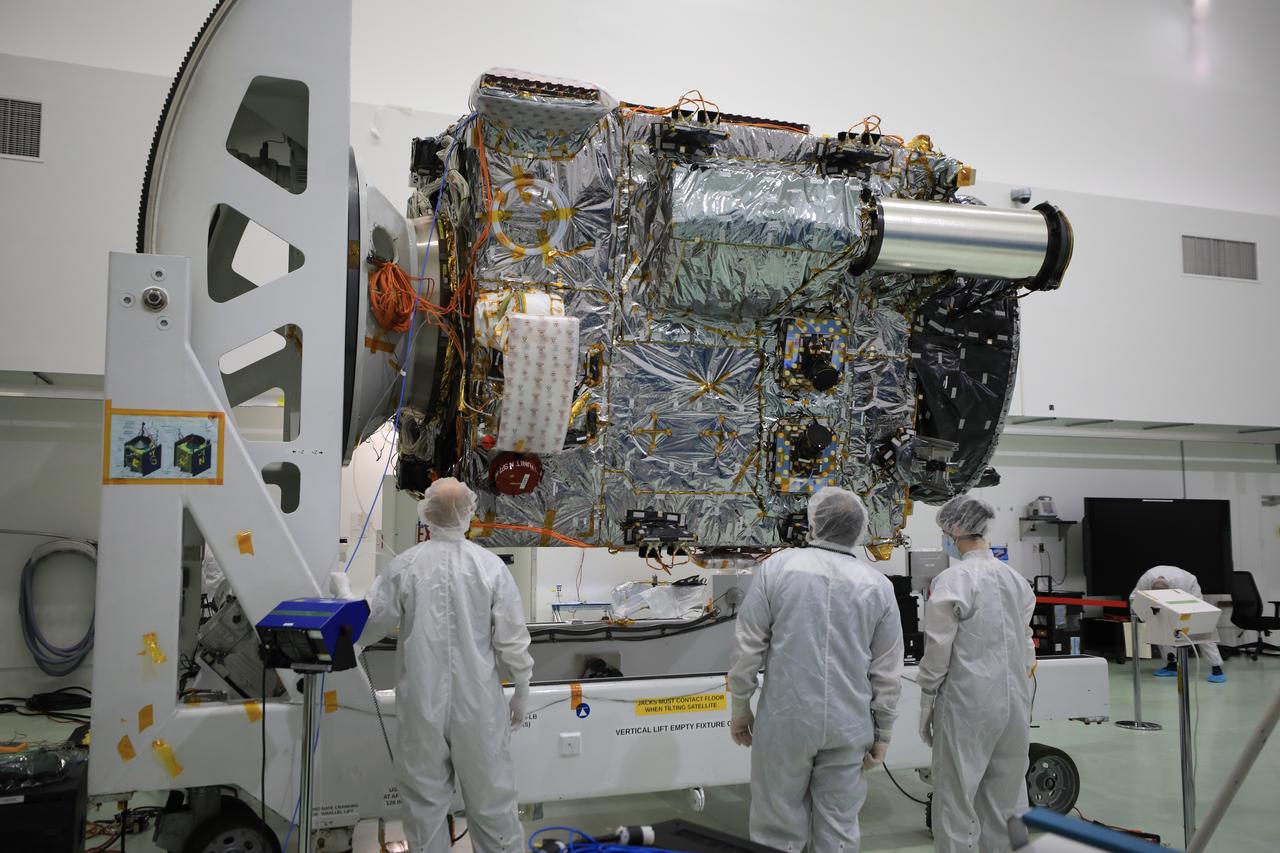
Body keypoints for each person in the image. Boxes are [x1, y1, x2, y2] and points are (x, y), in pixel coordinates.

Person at [330, 478, 532, 853]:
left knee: (424, 809)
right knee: (494, 805)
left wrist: (343, 593)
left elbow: (366, 626)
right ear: (469, 513)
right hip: (479, 707)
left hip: (422, 705)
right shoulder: (489, 567)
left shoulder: (405, 566)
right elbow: (512, 639)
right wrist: (521, 689)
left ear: (426, 514)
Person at [728, 487, 904, 852]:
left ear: (813, 523)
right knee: (839, 829)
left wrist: (740, 708)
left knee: (776, 826)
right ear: (860, 530)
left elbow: (747, 648)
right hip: (849, 724)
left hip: (786, 720)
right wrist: (883, 732)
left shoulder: (777, 568)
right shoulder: (879, 586)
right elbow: (887, 670)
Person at [917, 494, 1035, 853]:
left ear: (954, 531)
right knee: (1008, 800)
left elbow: (938, 650)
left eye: (944, 533)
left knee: (955, 801)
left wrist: (926, 699)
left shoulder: (953, 580)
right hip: (1015, 703)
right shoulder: (1016, 579)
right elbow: (1026, 643)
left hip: (967, 704)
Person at [1133, 565, 1225, 683]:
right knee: (1162, 624)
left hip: (1189, 591)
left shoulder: (1182, 582)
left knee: (1201, 626)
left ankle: (1216, 668)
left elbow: (1185, 606)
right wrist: (1141, 615)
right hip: (1161, 595)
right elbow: (1134, 598)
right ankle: (1172, 664)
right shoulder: (1145, 580)